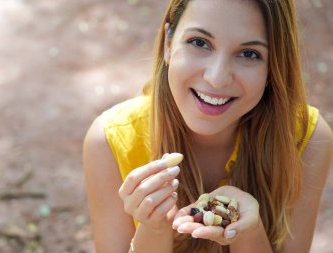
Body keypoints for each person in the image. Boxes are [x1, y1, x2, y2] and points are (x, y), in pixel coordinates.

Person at [83, 0, 333, 252]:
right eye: (199, 42)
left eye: (249, 54)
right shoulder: (109, 141)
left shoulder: (308, 139)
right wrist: (154, 229)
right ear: (168, 43)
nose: (216, 78)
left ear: (273, 67)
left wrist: (248, 233)